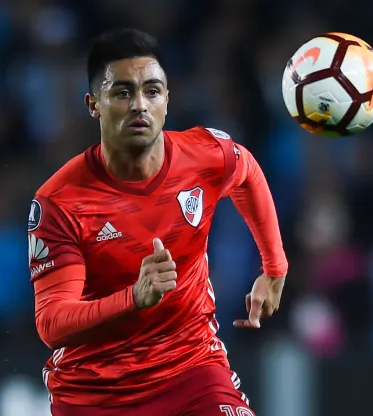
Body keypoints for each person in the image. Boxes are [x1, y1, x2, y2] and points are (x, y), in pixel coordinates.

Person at [28, 28, 288, 416]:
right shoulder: (61, 202)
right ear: (93, 104)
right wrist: (134, 297)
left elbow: (246, 170)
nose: (139, 105)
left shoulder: (204, 155)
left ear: (167, 100)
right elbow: (52, 322)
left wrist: (275, 267)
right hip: (96, 393)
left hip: (191, 369)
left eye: (152, 91)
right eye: (122, 92)